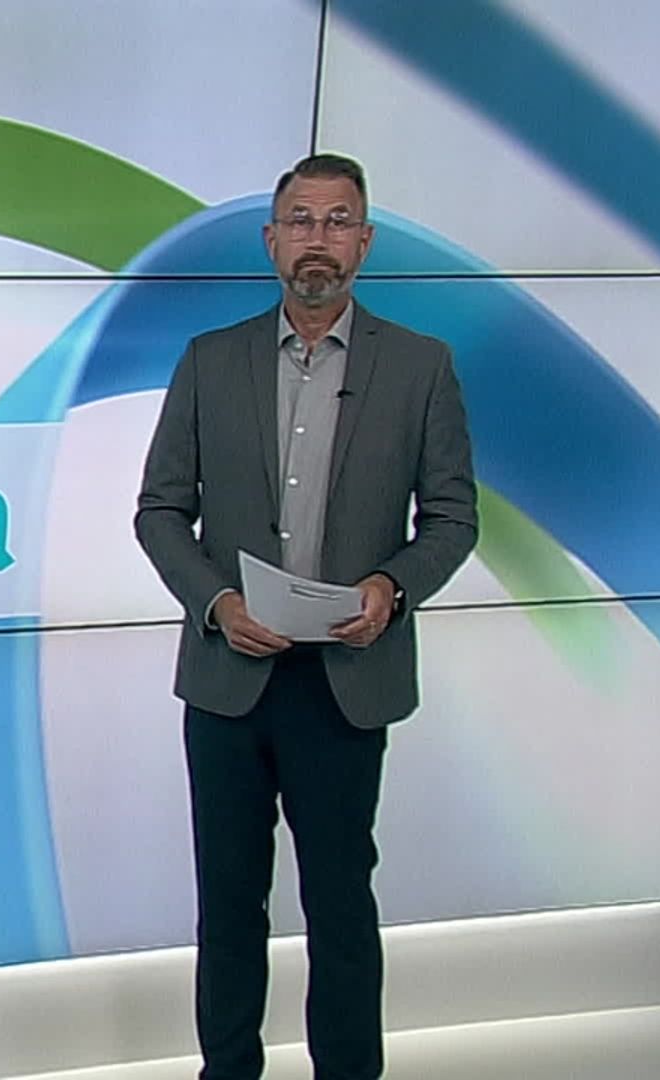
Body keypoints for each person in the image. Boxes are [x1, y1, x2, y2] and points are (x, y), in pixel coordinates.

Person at [133, 153, 479, 1079]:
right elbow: (160, 510)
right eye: (300, 221)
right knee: (228, 908)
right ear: (271, 240)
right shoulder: (210, 361)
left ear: (364, 242)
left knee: (340, 908)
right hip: (229, 681)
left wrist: (392, 588)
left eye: (335, 221)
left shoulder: (421, 368)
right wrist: (216, 602)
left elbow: (452, 518)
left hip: (345, 685)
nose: (316, 239)